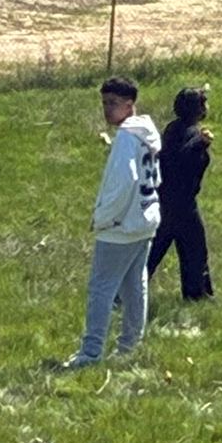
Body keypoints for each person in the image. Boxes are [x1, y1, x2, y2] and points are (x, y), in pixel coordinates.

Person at [60, 75, 161, 369]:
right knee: (135, 285)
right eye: (104, 103)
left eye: (113, 103)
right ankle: (130, 347)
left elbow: (124, 182)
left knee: (101, 289)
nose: (106, 109)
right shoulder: (147, 135)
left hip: (121, 226)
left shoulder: (127, 138)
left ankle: (91, 353)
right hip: (145, 218)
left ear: (129, 105)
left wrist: (103, 218)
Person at [148, 85, 215, 301]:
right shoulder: (193, 134)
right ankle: (197, 295)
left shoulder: (172, 128)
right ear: (199, 109)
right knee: (194, 251)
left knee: (154, 248)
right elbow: (185, 160)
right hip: (183, 203)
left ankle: (127, 289)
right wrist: (201, 144)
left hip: (163, 199)